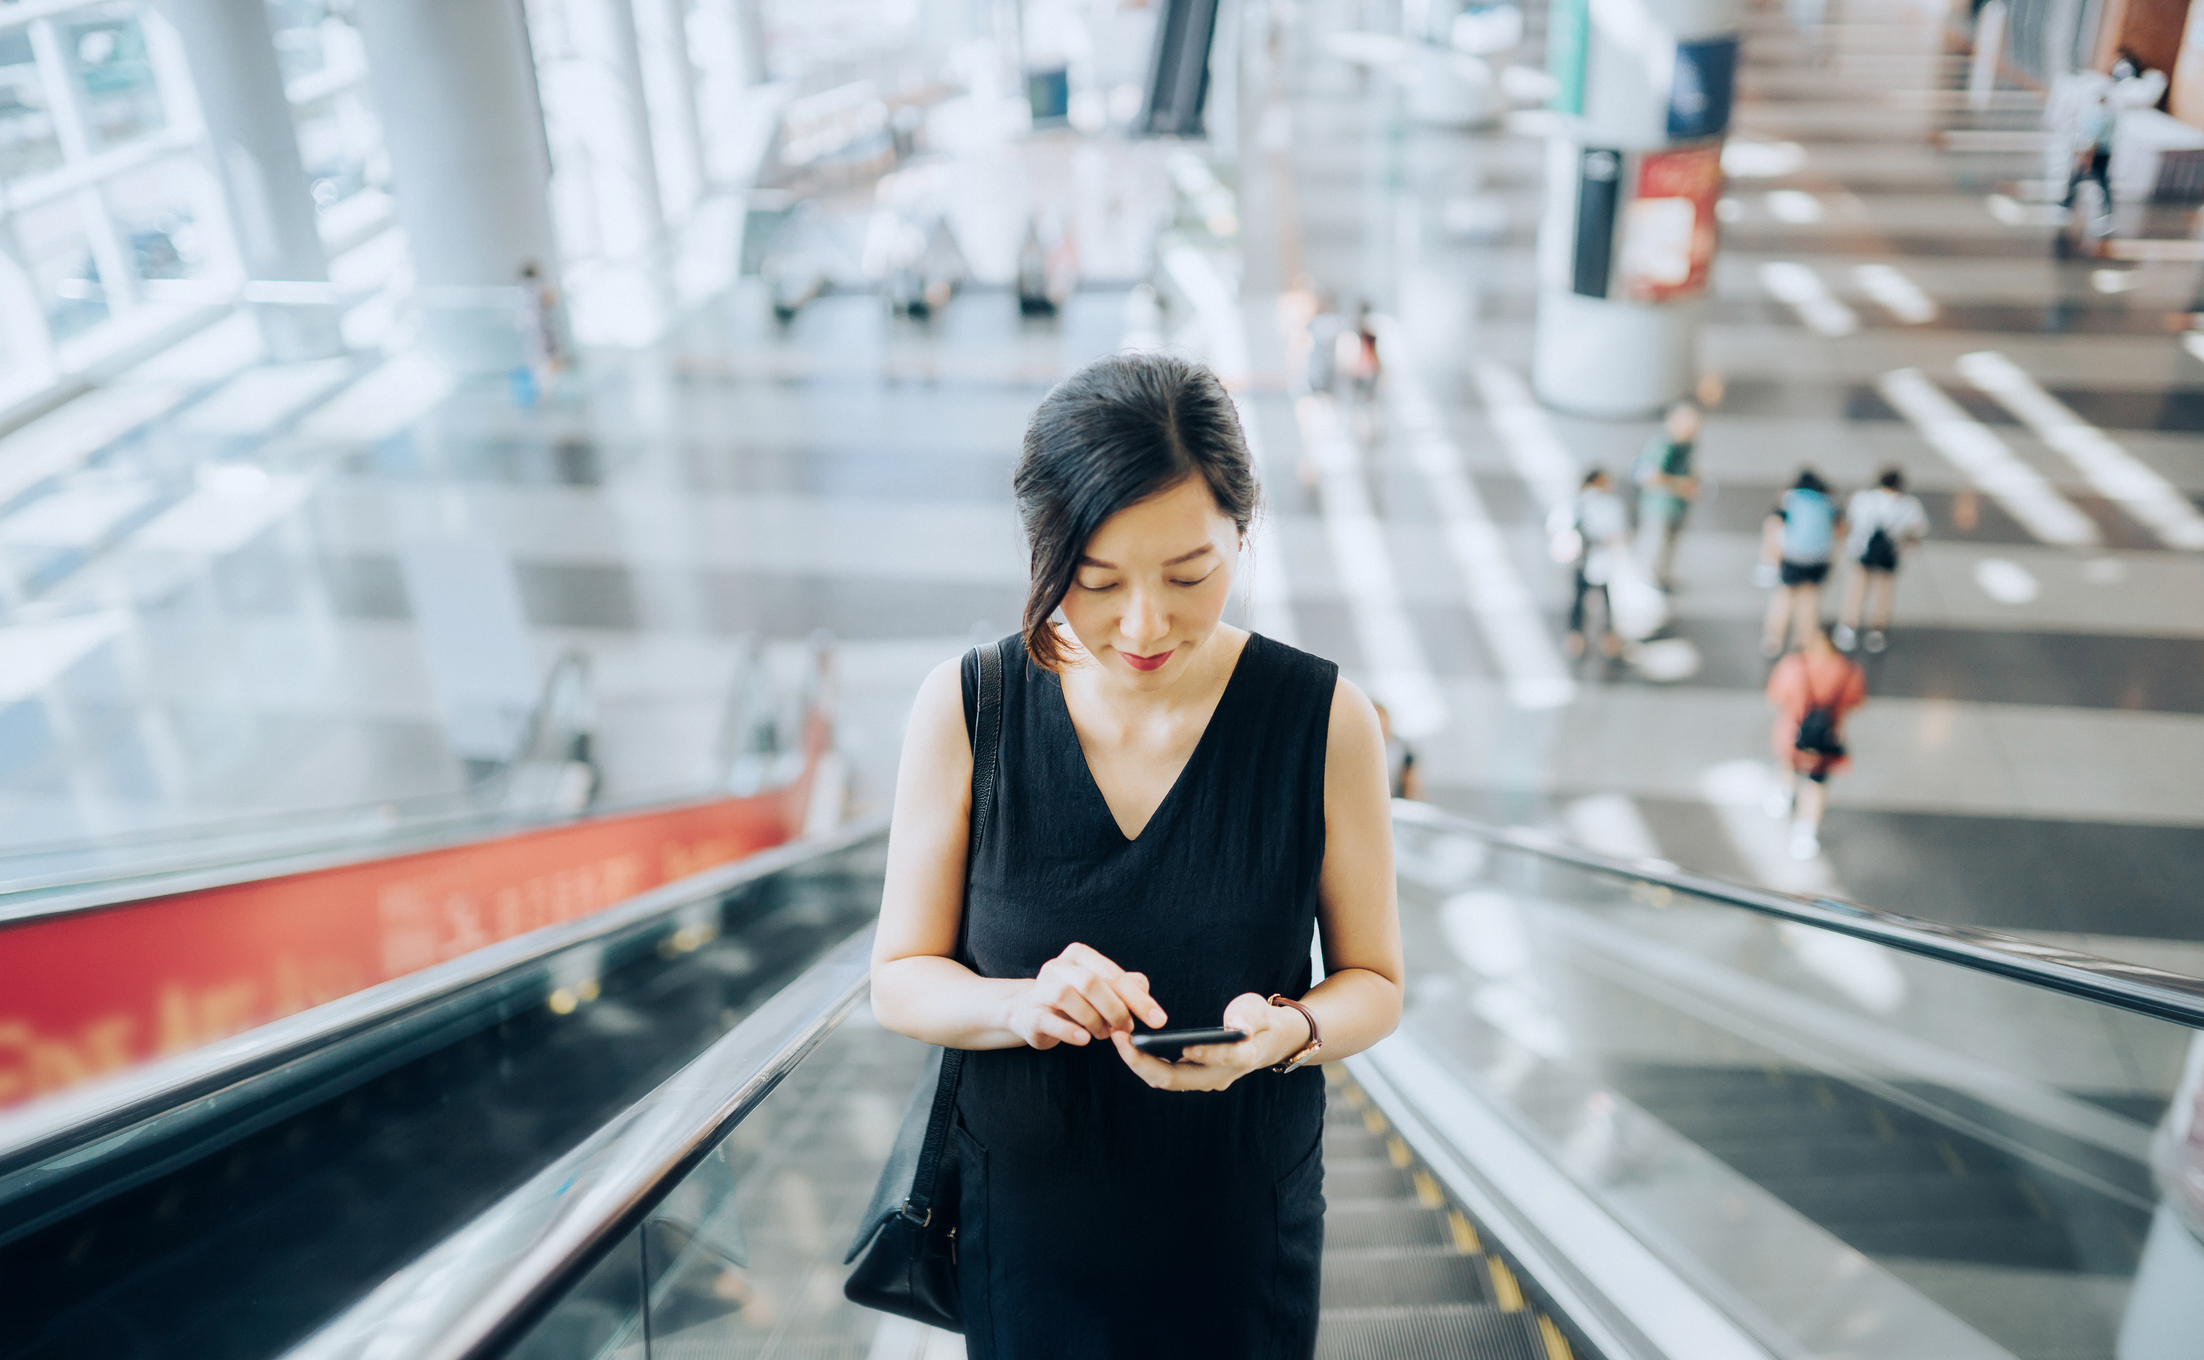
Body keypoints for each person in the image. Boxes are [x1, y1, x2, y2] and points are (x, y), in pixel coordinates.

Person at [871, 352, 1405, 1358]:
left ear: (1241, 535)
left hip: (1238, 1224)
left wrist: (1280, 1033)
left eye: (1189, 575)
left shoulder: (1323, 721)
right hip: (1026, 1231)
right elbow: (897, 981)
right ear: (1041, 551)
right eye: (1097, 581)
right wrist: (1016, 1002)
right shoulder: (967, 708)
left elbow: (1373, 980)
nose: (1145, 624)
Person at [1764, 627, 1866, 860]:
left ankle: (1784, 795)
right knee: (1817, 783)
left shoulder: (1793, 665)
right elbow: (1856, 702)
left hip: (1791, 734)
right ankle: (1806, 832)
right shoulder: (1849, 670)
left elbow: (1775, 697)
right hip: (1828, 737)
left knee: (1788, 765)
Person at [1835, 466, 1929, 653]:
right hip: (1889, 555)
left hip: (1861, 552)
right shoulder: (1909, 505)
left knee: (1857, 590)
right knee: (1883, 594)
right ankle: (1877, 632)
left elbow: (1848, 524)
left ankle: (1848, 628)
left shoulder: (1862, 499)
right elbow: (1917, 533)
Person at [1760, 468, 1841, 657]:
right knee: (1810, 600)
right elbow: (1839, 529)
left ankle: (1773, 640)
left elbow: (1774, 524)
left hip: (1793, 556)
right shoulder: (1829, 501)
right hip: (1819, 558)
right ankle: (1802, 643)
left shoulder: (1788, 498)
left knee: (1784, 597)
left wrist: (1771, 558)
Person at [1559, 468, 1630, 659]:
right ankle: (1607, 636)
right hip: (1598, 559)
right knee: (1604, 598)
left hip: (1581, 558)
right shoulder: (1610, 504)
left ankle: (1577, 636)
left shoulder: (1576, 501)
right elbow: (1618, 532)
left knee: (1579, 598)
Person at [1633, 400, 1701, 589]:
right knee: (1655, 545)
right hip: (1659, 506)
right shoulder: (1662, 444)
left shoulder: (1687, 444)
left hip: (1677, 506)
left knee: (1668, 546)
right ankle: (1647, 583)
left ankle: (1660, 577)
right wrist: (1681, 485)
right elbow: (1651, 476)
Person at [1374, 701, 1422, 800]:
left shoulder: (1403, 750)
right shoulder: (1360, 748)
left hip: (1396, 801)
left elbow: (1411, 783)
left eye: (1380, 717)